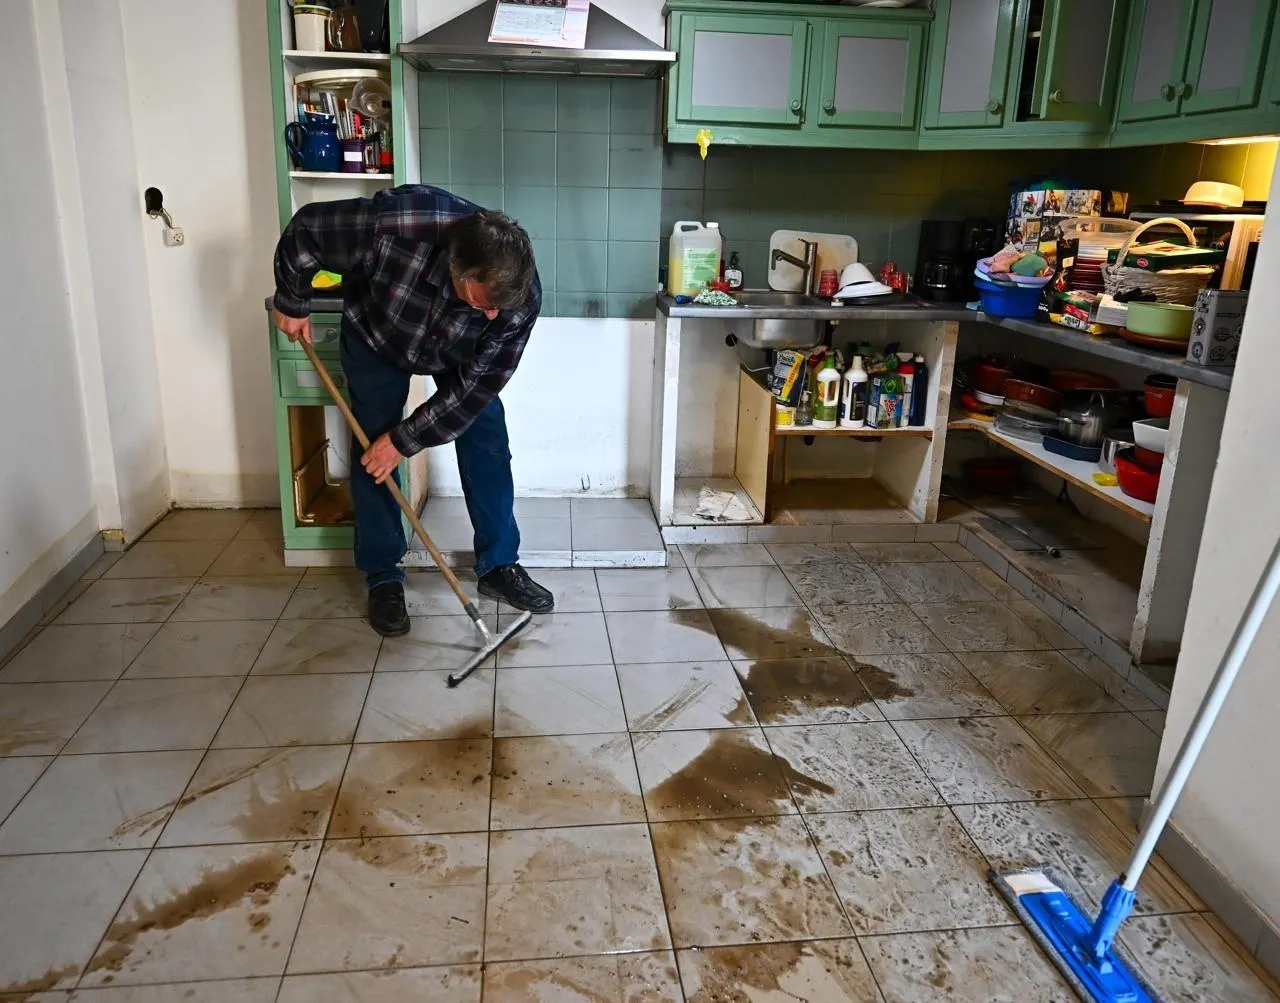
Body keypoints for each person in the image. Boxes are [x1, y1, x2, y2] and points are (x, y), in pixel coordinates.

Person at [270, 184, 554, 637]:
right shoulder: (396, 226)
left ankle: (499, 564)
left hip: (460, 354)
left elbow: (473, 391)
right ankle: (383, 574)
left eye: (501, 307)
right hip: (377, 336)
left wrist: (405, 440)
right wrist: (292, 298)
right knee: (373, 449)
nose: (494, 315)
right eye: (485, 303)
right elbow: (306, 231)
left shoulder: (517, 301)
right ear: (460, 270)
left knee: (486, 438)